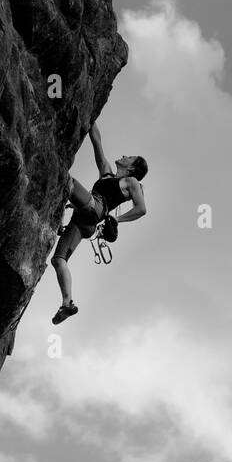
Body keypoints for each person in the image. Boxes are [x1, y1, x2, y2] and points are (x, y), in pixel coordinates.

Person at [50, 120, 147, 324]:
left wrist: (116, 219)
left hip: (96, 208)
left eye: (129, 157)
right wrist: (91, 116)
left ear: (131, 168)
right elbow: (97, 141)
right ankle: (67, 303)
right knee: (58, 260)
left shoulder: (132, 182)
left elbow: (141, 209)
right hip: (84, 222)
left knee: (65, 181)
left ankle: (56, 217)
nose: (124, 155)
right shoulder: (107, 173)